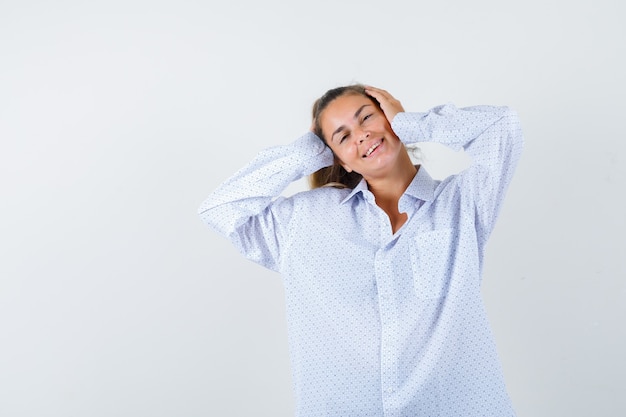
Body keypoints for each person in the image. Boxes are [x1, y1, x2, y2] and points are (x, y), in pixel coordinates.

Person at [198, 84, 524, 416]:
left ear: (390, 117)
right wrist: (307, 153)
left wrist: (415, 123)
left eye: (367, 117)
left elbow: (503, 127)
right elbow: (221, 210)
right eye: (342, 136)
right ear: (336, 158)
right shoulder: (306, 220)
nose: (362, 135)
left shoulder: (461, 203)